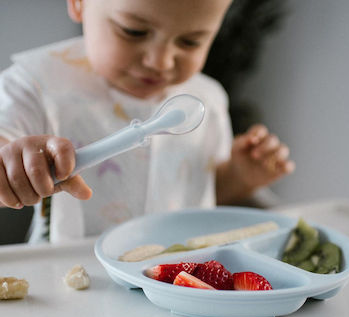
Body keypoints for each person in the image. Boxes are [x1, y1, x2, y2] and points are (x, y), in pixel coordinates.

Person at [0, 0, 295, 243]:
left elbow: (200, 195)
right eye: (134, 31)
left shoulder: (206, 101)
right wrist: (13, 163)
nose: (161, 61)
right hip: (70, 276)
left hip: (177, 277)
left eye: (191, 42)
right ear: (79, 4)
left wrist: (239, 177)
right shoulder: (37, 84)